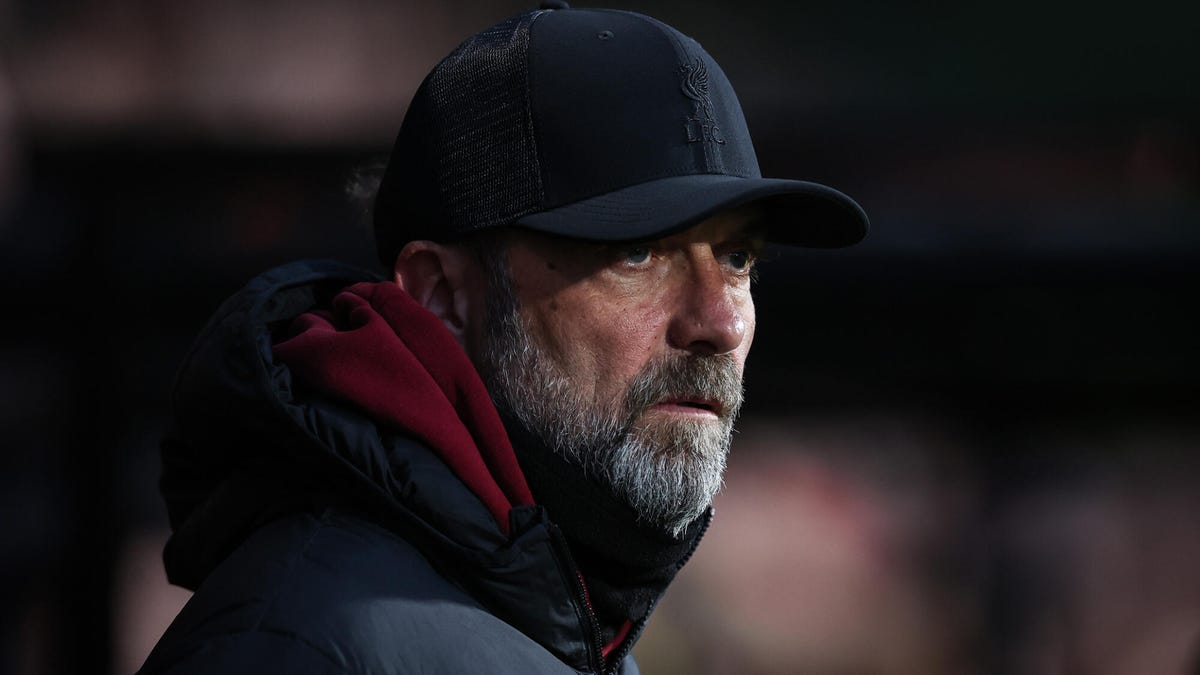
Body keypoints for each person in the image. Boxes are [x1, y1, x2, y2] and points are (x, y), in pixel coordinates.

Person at [138, 3, 868, 674]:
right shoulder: (296, 646)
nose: (720, 321)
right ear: (443, 295)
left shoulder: (571, 619)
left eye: (738, 258)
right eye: (638, 253)